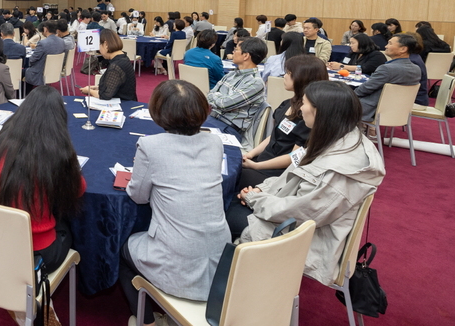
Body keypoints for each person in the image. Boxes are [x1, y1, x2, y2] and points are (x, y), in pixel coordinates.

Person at [236, 81, 385, 286]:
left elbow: (300, 214)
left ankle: (237, 290)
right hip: (295, 217)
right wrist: (263, 189)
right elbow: (290, 178)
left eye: (304, 103)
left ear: (320, 112)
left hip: (302, 237)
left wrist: (255, 198)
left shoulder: (338, 169)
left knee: (223, 215)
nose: (300, 108)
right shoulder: (335, 138)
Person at [120, 80, 230, 325]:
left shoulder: (151, 146)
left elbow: (138, 196)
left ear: (159, 113)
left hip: (177, 261)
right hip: (220, 257)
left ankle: (146, 319)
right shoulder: (214, 141)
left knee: (121, 248)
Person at [0, 85, 85, 273]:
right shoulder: (56, 153)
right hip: (37, 248)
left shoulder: (2, 139)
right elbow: (78, 189)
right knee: (72, 228)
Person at [237, 55, 328, 189]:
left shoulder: (308, 116)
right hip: (264, 159)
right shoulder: (287, 104)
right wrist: (251, 154)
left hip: (279, 173)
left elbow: (294, 158)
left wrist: (256, 165)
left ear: (302, 79)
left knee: (234, 176)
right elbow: (274, 136)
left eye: (289, 73)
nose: (284, 76)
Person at [207, 37, 267, 142]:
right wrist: (219, 98)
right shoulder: (231, 74)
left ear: (246, 55)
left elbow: (224, 104)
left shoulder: (255, 83)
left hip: (228, 128)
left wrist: (217, 97)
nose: (233, 52)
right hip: (212, 119)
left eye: (236, 50)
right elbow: (209, 95)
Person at [354, 34, 422, 122]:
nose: (386, 46)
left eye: (390, 43)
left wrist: (348, 96)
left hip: (372, 110)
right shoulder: (416, 69)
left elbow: (364, 89)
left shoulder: (387, 69)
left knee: (335, 102)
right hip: (399, 111)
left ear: (403, 49)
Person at [80, 29, 137, 101]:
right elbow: (116, 85)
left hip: (123, 104)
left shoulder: (116, 66)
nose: (99, 50)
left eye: (99, 46)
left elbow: (105, 95)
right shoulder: (123, 57)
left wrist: (89, 91)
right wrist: (97, 87)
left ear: (106, 45)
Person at [25, 21, 65, 93]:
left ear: (45, 29)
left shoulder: (43, 43)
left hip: (40, 72)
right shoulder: (61, 41)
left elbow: (33, 59)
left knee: (24, 70)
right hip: (55, 70)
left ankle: (25, 95)